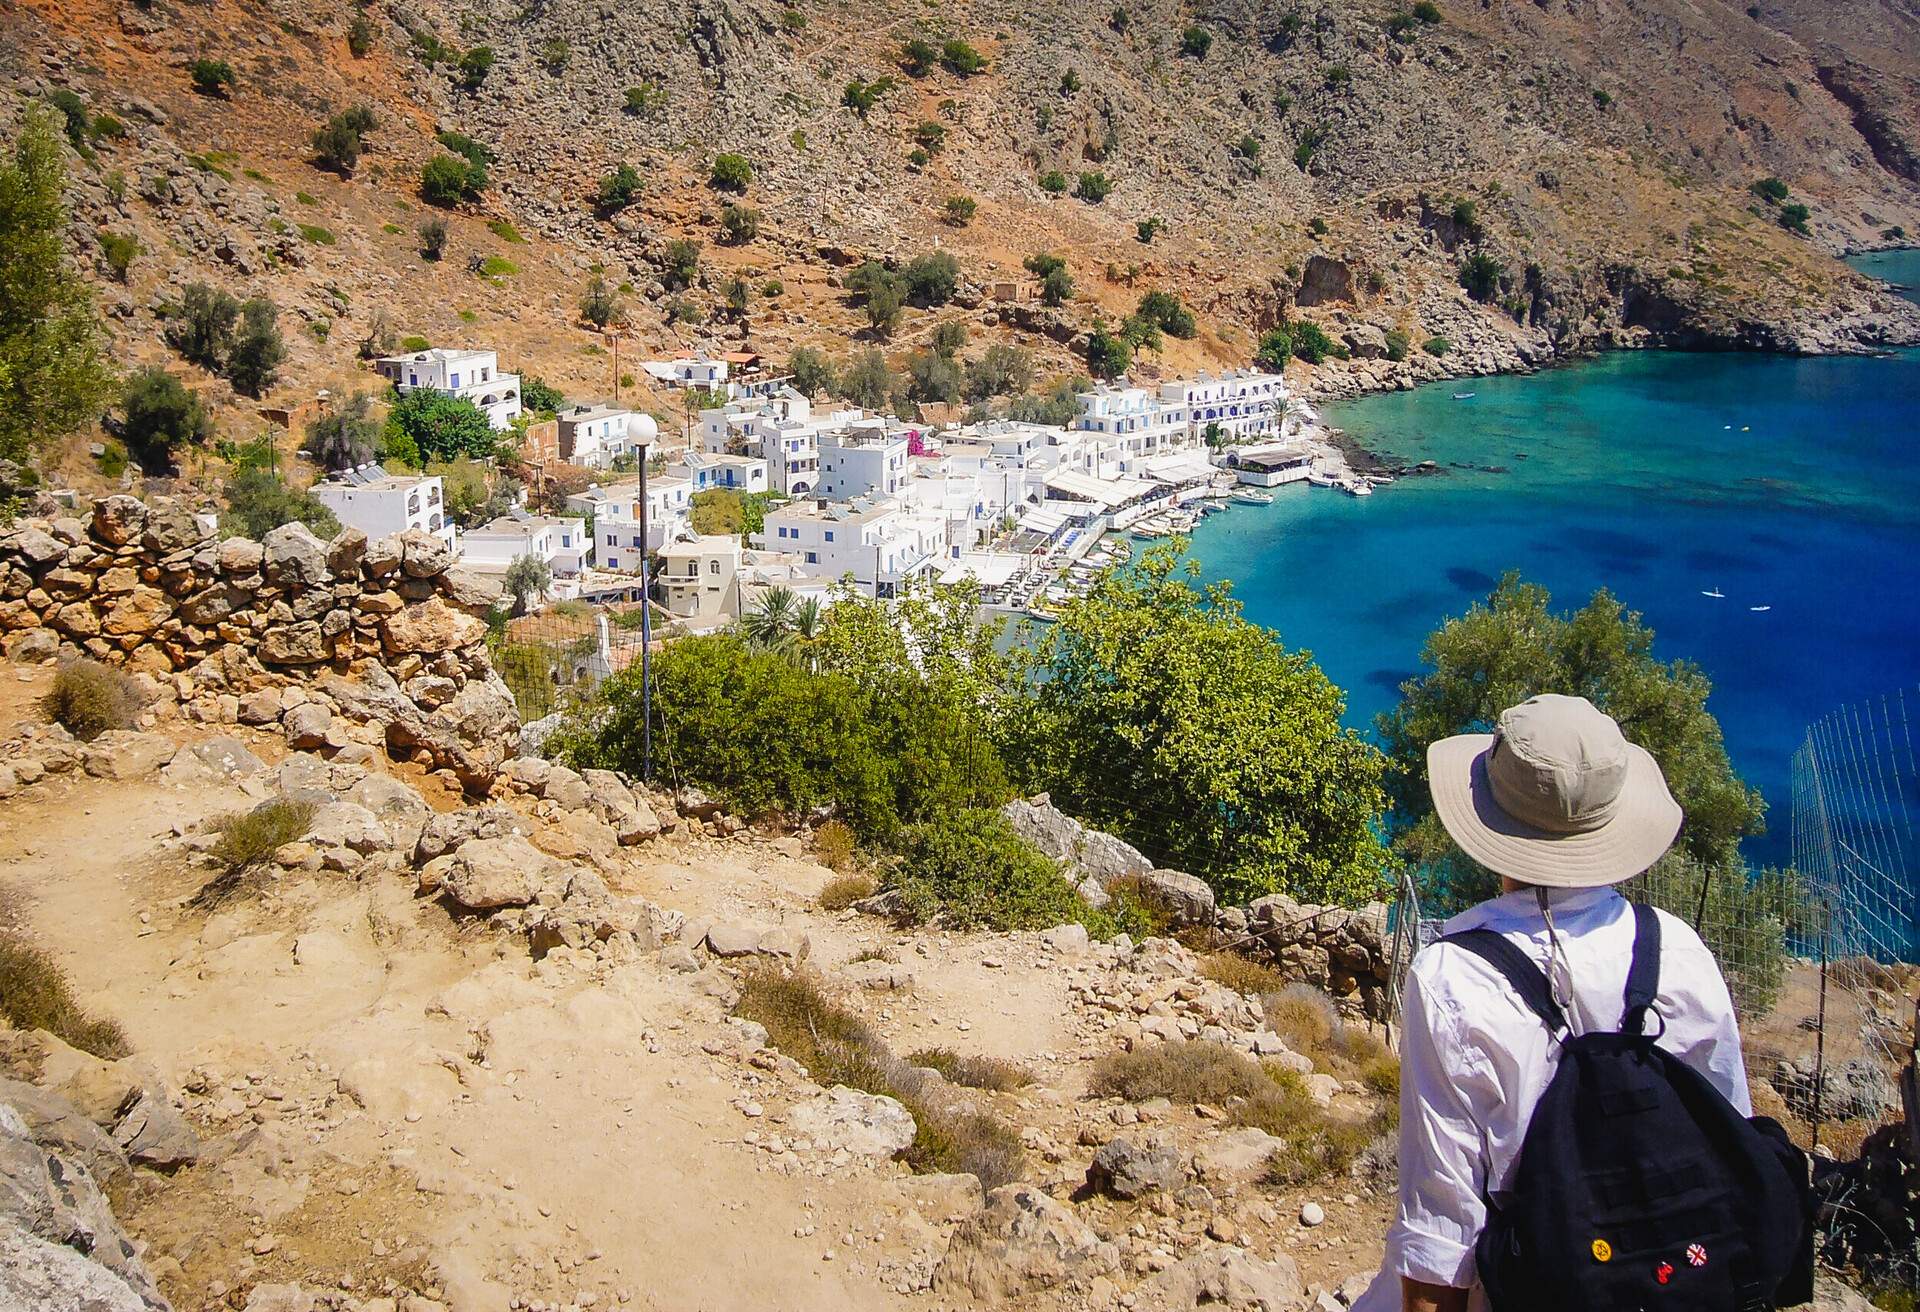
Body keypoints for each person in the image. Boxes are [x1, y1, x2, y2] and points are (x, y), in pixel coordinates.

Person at [1354, 693, 1752, 1312]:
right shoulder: (1679, 950)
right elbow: (1731, 1134)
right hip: (1677, 1283)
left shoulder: (1451, 975)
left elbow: (1441, 1234)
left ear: (1489, 811)